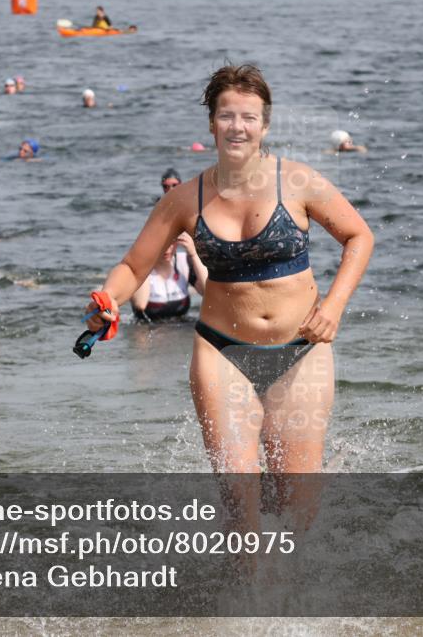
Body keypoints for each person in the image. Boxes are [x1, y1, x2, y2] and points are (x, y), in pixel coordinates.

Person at [85, 64, 373, 486]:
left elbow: (359, 236)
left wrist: (334, 307)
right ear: (211, 123)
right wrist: (108, 300)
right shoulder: (184, 199)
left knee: (296, 502)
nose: (237, 127)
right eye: (226, 116)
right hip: (221, 353)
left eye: (249, 117)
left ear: (265, 125)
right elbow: (133, 266)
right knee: (240, 498)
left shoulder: (298, 181)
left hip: (301, 351)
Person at [131, 169, 208, 321]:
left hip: (180, 331)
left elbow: (208, 292)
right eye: (166, 186)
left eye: (171, 243)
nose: (166, 249)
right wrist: (147, 256)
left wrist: (193, 254)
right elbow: (140, 304)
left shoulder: (183, 262)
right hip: (150, 331)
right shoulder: (141, 264)